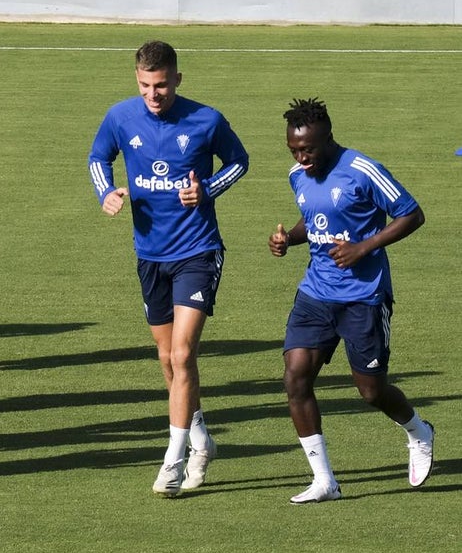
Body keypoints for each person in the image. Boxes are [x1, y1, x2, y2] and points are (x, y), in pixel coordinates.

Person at [88, 40, 248, 497]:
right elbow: (98, 157)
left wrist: (208, 189)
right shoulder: (120, 117)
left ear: (177, 78)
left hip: (198, 251)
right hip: (149, 254)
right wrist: (106, 192)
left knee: (182, 355)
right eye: (144, 86)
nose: (152, 95)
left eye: (160, 85)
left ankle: (173, 460)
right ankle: (200, 439)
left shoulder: (206, 120)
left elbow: (239, 161)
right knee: (166, 358)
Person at [268, 98, 434, 504]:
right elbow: (314, 217)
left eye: (308, 149)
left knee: (371, 392)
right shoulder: (298, 175)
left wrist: (363, 247)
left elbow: (411, 214)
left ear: (328, 138)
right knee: (295, 378)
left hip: (364, 296)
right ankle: (325, 480)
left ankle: (418, 431)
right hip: (316, 292)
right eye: (294, 150)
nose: (301, 158)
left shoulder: (362, 170)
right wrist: (289, 238)